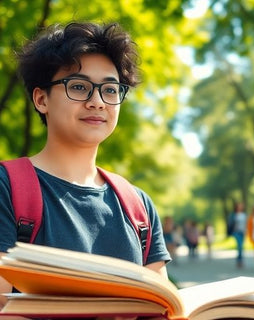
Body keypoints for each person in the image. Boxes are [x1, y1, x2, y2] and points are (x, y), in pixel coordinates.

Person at [0, 21, 171, 308]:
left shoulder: (138, 206)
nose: (97, 102)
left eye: (110, 89)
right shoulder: (7, 188)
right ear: (41, 99)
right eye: (79, 87)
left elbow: (164, 306)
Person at [228, 202, 247, 268]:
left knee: (241, 247)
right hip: (236, 232)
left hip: (242, 232)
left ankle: (240, 260)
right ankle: (240, 260)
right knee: (240, 246)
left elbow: (246, 224)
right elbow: (230, 224)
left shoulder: (244, 215)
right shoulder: (233, 215)